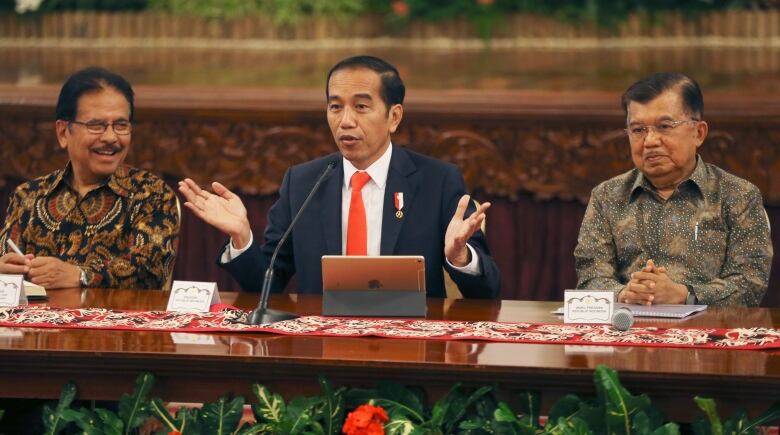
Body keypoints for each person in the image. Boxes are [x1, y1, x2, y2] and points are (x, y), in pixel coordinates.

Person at [179, 55, 500, 298]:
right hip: (321, 351)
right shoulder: (303, 182)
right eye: (335, 107)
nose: (345, 121)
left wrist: (460, 257)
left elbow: (488, 291)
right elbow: (268, 284)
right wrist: (242, 238)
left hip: (411, 350)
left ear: (394, 117)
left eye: (361, 107)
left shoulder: (437, 181)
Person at [574, 72, 772, 307]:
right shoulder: (606, 196)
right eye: (638, 130)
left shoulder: (738, 195)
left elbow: (750, 284)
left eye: (664, 126)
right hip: (627, 331)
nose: (650, 141)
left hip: (708, 335)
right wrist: (626, 293)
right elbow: (590, 277)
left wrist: (684, 295)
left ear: (698, 133)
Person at [0, 67, 180, 290]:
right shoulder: (28, 195)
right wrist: (5, 272)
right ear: (63, 132)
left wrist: (80, 276)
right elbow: (6, 264)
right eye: (96, 125)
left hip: (121, 323)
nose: (111, 137)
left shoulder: (151, 193)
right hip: (34, 324)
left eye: (121, 125)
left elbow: (150, 272)